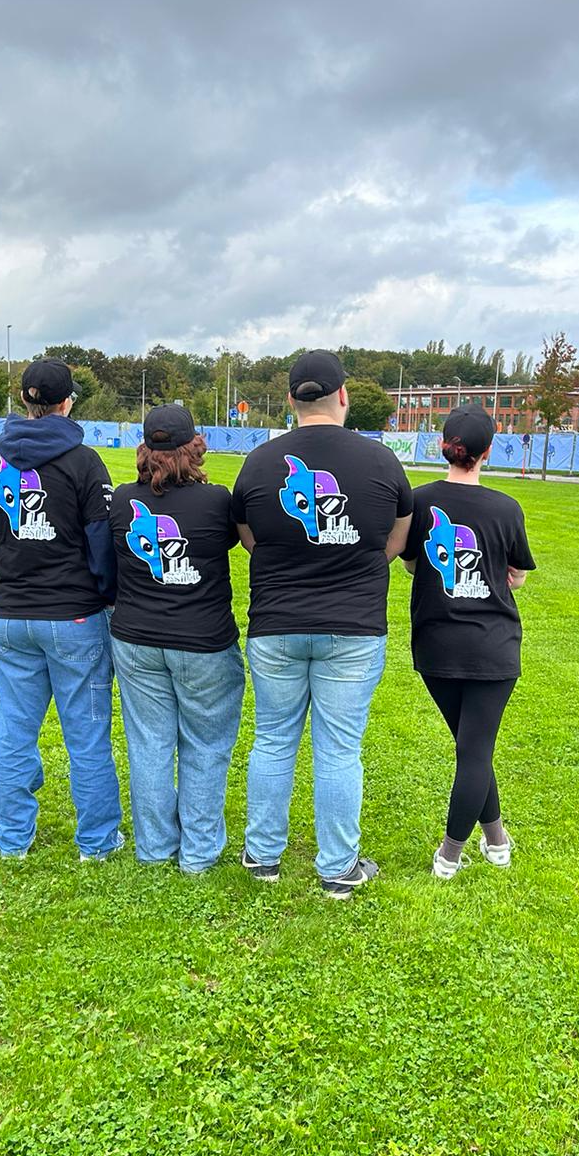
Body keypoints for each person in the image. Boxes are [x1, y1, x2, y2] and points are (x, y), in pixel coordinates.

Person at [231, 349, 413, 899]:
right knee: (338, 749)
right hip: (352, 626)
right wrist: (347, 564)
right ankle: (337, 866)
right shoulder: (382, 462)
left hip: (276, 622)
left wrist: (296, 561)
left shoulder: (260, 461)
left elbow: (250, 538)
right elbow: (395, 541)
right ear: (344, 396)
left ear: (290, 399)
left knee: (272, 740)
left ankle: (263, 855)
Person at [0, 357, 123, 861]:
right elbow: (101, 546)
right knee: (87, 732)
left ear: (24, 401)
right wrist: (104, 594)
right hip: (72, 616)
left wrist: (1, 592)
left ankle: (13, 839)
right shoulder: (84, 463)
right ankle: (97, 842)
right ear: (68, 402)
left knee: (14, 727)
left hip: (13, 616)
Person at [108, 404, 243, 872]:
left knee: (149, 745)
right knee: (205, 746)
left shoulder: (124, 501)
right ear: (195, 447)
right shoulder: (217, 501)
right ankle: (199, 853)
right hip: (204, 642)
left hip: (137, 641)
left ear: (145, 448)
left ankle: (155, 847)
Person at [402, 404, 535, 879]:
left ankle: (496, 838)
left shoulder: (417, 502)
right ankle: (451, 852)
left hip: (436, 646)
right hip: (492, 645)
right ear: (487, 452)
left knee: (470, 746)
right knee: (474, 750)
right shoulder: (506, 507)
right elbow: (516, 576)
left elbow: (413, 563)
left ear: (444, 447)